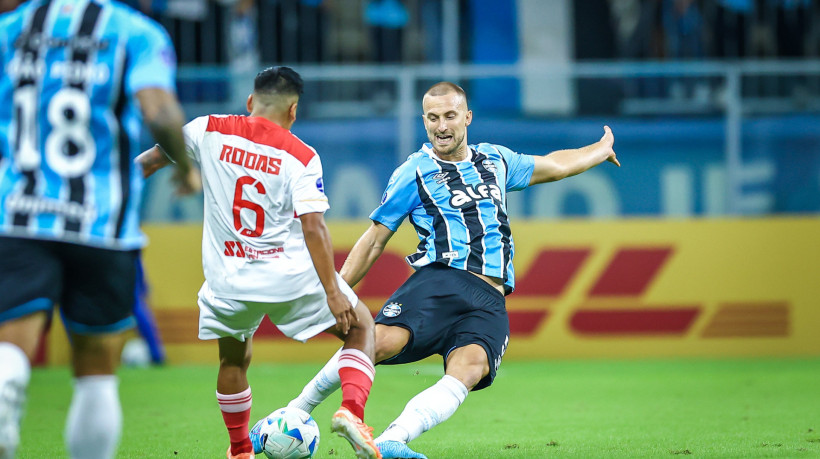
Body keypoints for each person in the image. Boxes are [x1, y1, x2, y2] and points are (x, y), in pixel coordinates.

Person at [287, 81, 620, 459]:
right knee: (379, 342)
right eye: (432, 118)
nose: (441, 126)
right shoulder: (414, 171)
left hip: (491, 299)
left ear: (467, 118)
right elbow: (375, 239)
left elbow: (556, 166)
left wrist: (599, 150)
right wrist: (336, 291)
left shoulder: (495, 159)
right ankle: (297, 409)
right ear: (424, 121)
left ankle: (392, 440)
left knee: (471, 367)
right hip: (443, 280)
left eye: (449, 116)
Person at [136, 66, 382, 459]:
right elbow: (314, 228)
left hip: (228, 280)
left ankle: (239, 451)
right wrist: (334, 292)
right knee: (362, 327)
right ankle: (351, 411)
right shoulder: (301, 155)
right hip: (288, 277)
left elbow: (146, 163)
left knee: (234, 358)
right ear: (293, 111)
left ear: (251, 101)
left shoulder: (207, 129)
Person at [0, 0, 198, 457]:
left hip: (19, 216)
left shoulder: (11, 29)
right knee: (96, 371)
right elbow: (161, 112)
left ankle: (8, 381)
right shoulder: (135, 32)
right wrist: (185, 169)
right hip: (101, 222)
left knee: (12, 342)